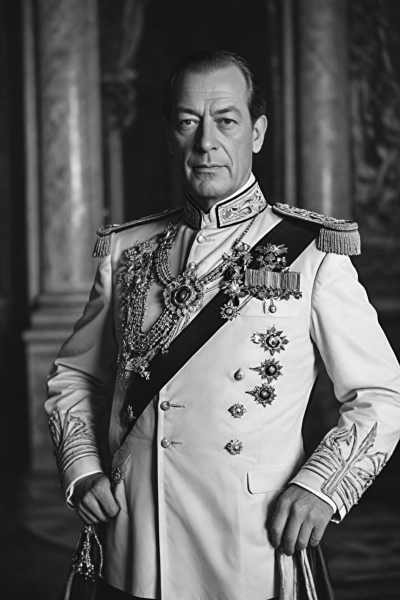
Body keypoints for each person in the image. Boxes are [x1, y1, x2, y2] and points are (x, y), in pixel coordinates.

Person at [45, 50, 400, 600]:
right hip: (134, 538)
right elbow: (74, 375)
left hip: (248, 541)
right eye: (188, 121)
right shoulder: (127, 250)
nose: (206, 141)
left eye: (226, 121)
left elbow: (380, 394)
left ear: (256, 133)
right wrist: (83, 467)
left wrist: (321, 487)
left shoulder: (311, 252)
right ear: (171, 136)